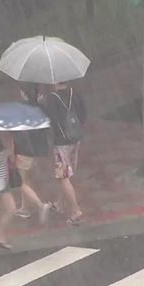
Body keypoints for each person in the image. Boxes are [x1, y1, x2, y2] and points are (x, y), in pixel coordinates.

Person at [38, 82, 87, 225]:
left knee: (63, 177)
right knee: (68, 172)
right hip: (75, 139)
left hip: (61, 142)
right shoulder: (75, 93)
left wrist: (41, 104)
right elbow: (83, 115)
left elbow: (49, 119)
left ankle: (76, 211)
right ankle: (60, 203)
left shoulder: (52, 98)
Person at [13, 83, 52, 224]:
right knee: (26, 179)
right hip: (36, 150)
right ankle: (24, 208)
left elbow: (18, 132)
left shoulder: (21, 110)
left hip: (24, 150)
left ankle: (41, 206)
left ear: (24, 94)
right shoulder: (40, 108)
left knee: (20, 182)